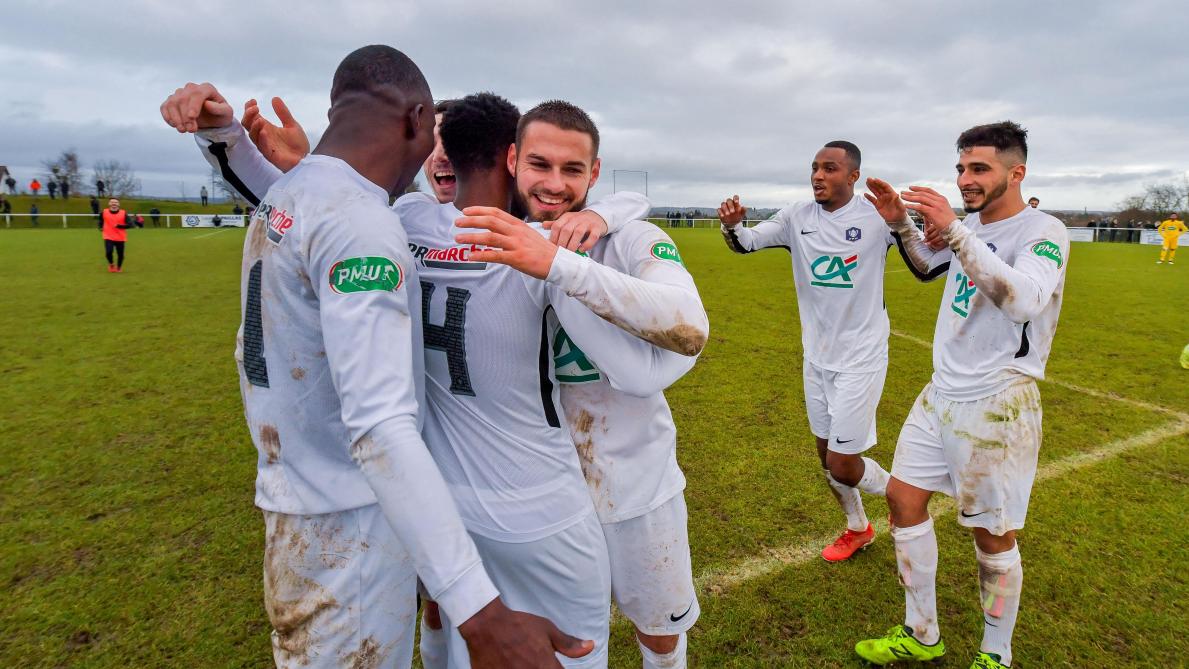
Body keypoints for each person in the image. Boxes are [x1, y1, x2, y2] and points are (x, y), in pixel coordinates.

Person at [161, 53, 597, 669]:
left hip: (297, 498)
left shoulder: (301, 195)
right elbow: (379, 425)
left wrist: (224, 135)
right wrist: (483, 613)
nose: (432, 162)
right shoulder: (365, 225)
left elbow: (280, 196)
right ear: (418, 119)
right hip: (354, 523)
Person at [457, 98, 709, 669]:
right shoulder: (494, 239)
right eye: (539, 165)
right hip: (539, 497)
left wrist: (568, 255)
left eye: (573, 170)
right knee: (564, 645)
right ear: (513, 160)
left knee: (660, 637)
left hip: (637, 486)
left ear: (594, 173)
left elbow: (689, 325)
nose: (554, 183)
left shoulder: (631, 239)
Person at [854, 121, 1068, 669]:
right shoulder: (968, 225)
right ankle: (922, 633)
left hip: (999, 402)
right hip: (941, 391)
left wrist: (956, 231)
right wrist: (901, 224)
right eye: (961, 168)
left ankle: (996, 654)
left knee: (992, 536)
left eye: (979, 169)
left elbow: (1022, 300)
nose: (965, 179)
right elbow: (928, 268)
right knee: (904, 500)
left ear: (1015, 172)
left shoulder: (1043, 232)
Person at [716, 141, 895, 562]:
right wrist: (731, 227)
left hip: (861, 357)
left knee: (843, 464)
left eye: (829, 168)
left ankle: (904, 495)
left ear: (852, 176)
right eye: (814, 167)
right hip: (816, 358)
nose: (817, 175)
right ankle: (858, 528)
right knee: (825, 456)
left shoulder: (876, 217)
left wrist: (916, 225)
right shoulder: (797, 216)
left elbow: (926, 255)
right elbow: (747, 242)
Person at [101, 198, 133, 272]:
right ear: (109, 204)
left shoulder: (123, 213)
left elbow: (131, 225)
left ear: (118, 204)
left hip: (120, 237)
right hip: (108, 236)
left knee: (120, 254)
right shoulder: (104, 212)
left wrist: (119, 226)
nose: (114, 203)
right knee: (108, 252)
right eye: (112, 202)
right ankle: (111, 264)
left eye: (116, 202)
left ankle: (118, 267)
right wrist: (100, 226)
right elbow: (101, 220)